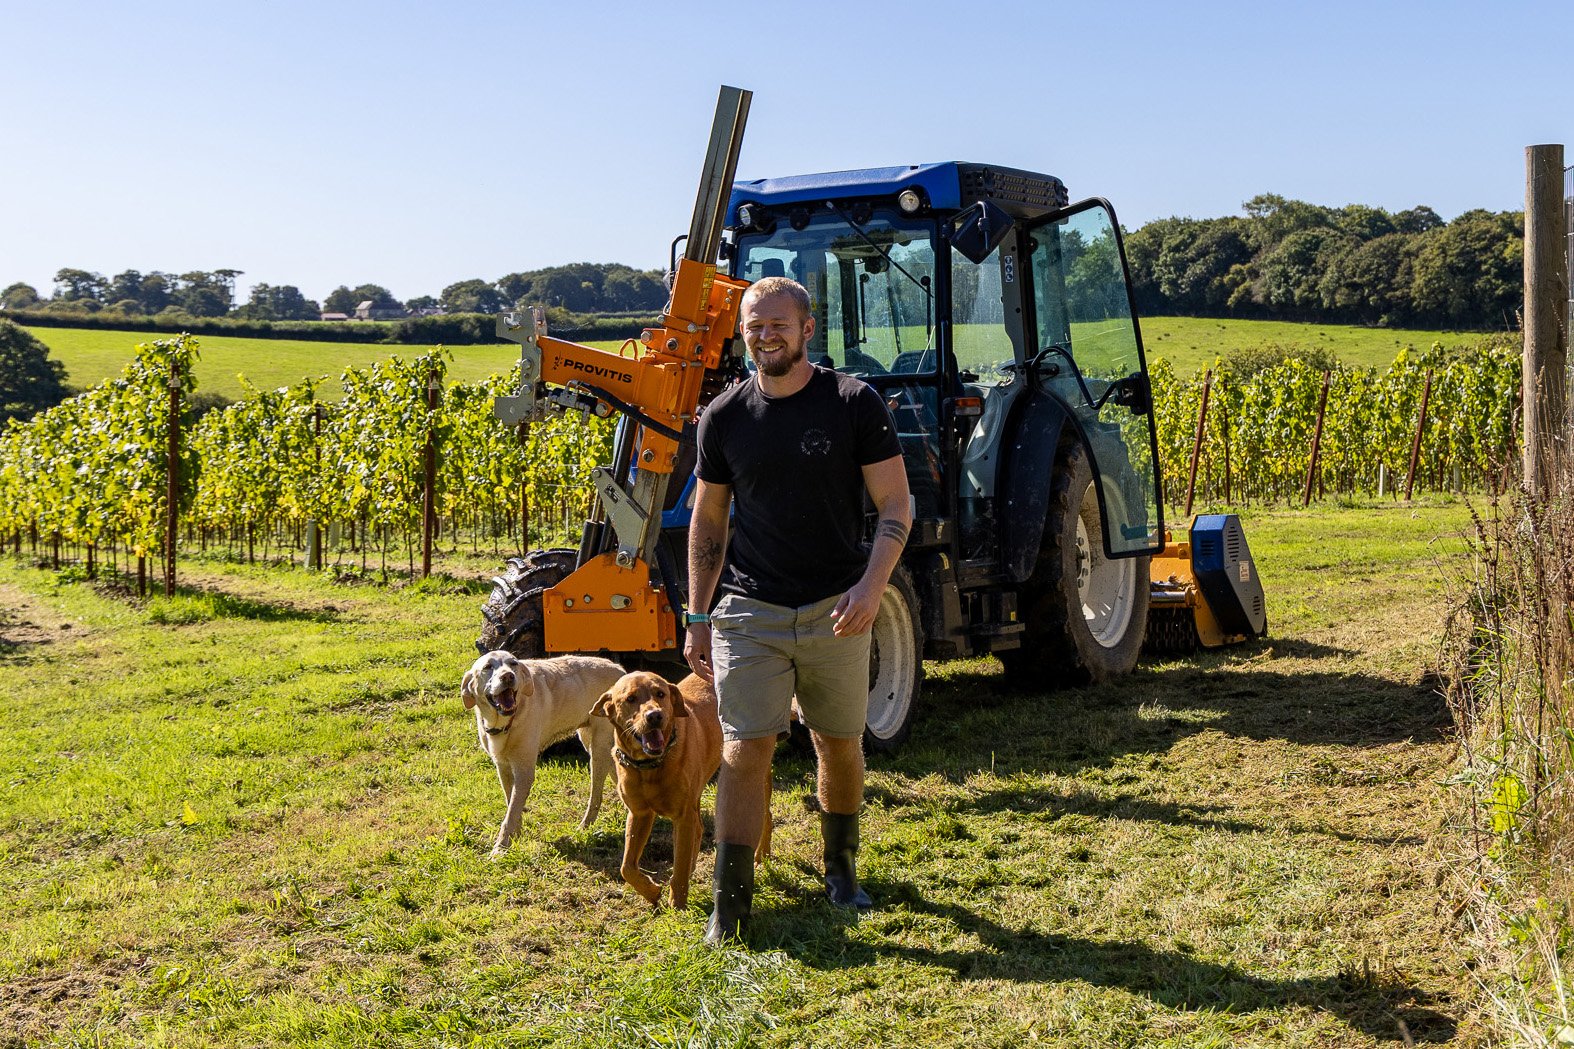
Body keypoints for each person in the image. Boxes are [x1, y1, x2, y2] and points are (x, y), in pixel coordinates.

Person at [684, 275, 912, 945]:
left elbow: (896, 504)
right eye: (754, 325)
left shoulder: (851, 403)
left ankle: (840, 869)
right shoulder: (724, 416)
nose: (764, 335)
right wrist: (699, 614)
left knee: (837, 741)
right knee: (745, 745)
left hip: (836, 606)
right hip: (749, 608)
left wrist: (871, 588)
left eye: (778, 323)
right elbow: (708, 520)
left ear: (807, 329)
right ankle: (730, 907)